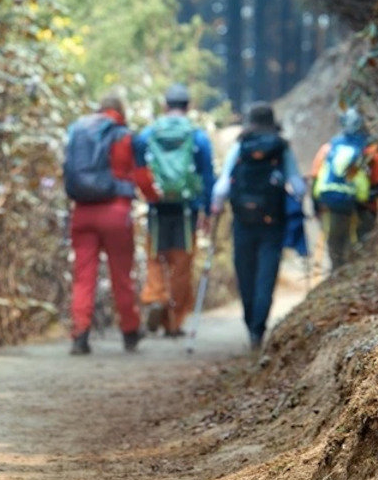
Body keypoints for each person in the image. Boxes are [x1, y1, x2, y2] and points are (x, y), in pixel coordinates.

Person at [62, 95, 155, 355]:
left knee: (83, 277)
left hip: (82, 211)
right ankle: (130, 332)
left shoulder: (81, 132)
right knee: (122, 276)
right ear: (120, 111)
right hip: (116, 211)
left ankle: (80, 336)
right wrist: (153, 198)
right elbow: (141, 175)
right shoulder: (125, 135)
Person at [211, 101, 303, 351]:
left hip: (242, 220)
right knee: (266, 275)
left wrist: (216, 207)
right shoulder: (281, 147)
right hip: (273, 222)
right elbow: (296, 184)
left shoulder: (241, 145)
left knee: (245, 274)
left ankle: (249, 319)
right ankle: (258, 330)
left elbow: (221, 186)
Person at [134, 83, 215, 337]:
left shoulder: (148, 134)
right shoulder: (197, 136)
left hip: (157, 209)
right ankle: (174, 322)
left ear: (165, 106)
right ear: (188, 107)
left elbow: (138, 168)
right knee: (181, 265)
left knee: (155, 257)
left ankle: (156, 296)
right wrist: (207, 211)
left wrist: (149, 194)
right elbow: (207, 176)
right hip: (187, 210)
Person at [310, 107, 378, 270]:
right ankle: (357, 274)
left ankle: (336, 275)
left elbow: (315, 177)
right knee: (360, 248)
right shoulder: (371, 150)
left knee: (336, 246)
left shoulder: (329, 147)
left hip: (332, 206)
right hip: (364, 207)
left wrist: (317, 207)